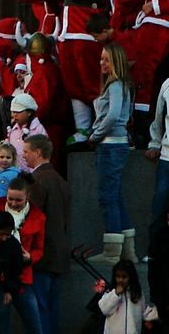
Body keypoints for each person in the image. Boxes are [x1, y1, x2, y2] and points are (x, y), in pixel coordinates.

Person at [38, 0, 117, 142]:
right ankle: (82, 128)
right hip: (67, 32)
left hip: (85, 29)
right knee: (72, 81)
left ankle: (100, 125)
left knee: (91, 79)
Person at [91, 42, 135, 262]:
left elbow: (113, 115)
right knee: (115, 196)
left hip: (110, 145)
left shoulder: (116, 85)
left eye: (106, 59)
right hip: (115, 144)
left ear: (116, 62)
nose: (102, 64)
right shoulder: (120, 85)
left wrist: (95, 134)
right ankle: (127, 251)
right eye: (101, 59)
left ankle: (112, 252)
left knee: (107, 196)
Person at [21, 134, 69, 334]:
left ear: (37, 153)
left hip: (41, 256)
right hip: (59, 254)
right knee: (52, 309)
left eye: (26, 152)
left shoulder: (37, 181)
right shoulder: (60, 180)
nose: (23, 156)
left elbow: (32, 219)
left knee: (40, 310)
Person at [0, 177, 45, 334]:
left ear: (27, 196)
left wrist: (30, 258)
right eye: (10, 199)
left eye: (18, 200)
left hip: (22, 278)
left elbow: (39, 249)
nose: (13, 203)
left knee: (35, 325)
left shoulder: (38, 217)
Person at [93, 259, 159, 332]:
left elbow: (142, 310)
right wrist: (115, 294)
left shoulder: (136, 293)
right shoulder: (110, 292)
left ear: (131, 277)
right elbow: (105, 310)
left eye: (124, 277)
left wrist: (152, 316)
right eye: (118, 276)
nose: (120, 279)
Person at [146, 73, 169, 244]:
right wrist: (155, 143)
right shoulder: (167, 84)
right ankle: (155, 252)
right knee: (159, 209)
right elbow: (158, 117)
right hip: (167, 157)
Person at [6, 91, 48, 170]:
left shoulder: (38, 129)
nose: (15, 115)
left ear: (29, 112)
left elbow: (43, 155)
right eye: (13, 112)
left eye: (18, 112)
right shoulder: (12, 130)